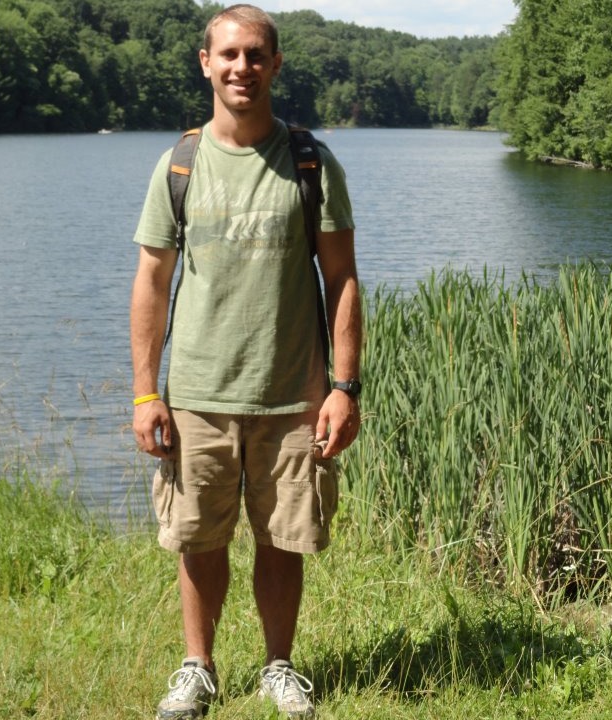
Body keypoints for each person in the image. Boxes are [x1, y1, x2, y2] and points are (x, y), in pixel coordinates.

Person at [129, 4, 361, 718]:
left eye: (256, 55)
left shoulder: (310, 161)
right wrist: (145, 393)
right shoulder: (180, 163)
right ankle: (197, 669)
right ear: (205, 63)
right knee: (197, 538)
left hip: (292, 392)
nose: (242, 68)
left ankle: (279, 667)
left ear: (276, 65)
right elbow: (152, 281)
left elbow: (342, 278)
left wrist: (343, 387)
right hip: (196, 391)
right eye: (228, 54)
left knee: (282, 537)